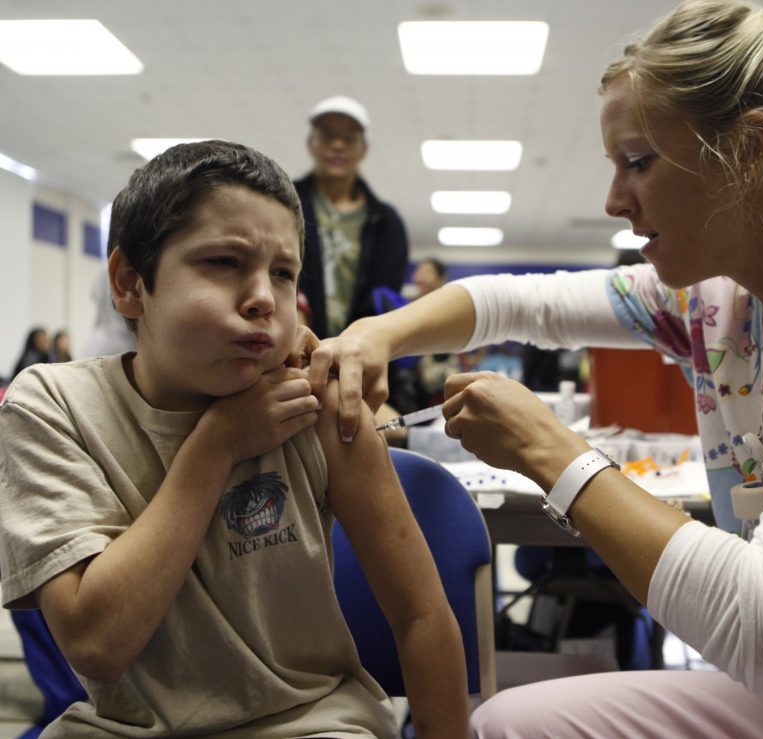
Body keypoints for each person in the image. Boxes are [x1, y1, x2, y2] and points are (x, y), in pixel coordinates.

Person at [306, 0, 763, 735]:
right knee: (507, 724)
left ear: (749, 148)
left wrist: (553, 452)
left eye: (639, 162)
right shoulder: (724, 296)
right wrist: (375, 335)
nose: (616, 200)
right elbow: (525, 304)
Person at [0, 140, 467, 738]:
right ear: (129, 283)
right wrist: (217, 444)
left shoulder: (317, 402)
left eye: (283, 273)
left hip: (310, 724)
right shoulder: (53, 405)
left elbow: (423, 616)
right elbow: (97, 644)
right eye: (224, 262)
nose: (263, 300)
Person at [295, 95, 410, 339]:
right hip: (291, 348)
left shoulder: (385, 222)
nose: (338, 145)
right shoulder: (285, 203)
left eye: (349, 138)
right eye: (327, 136)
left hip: (360, 355)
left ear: (364, 149)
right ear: (311, 144)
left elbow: (385, 296)